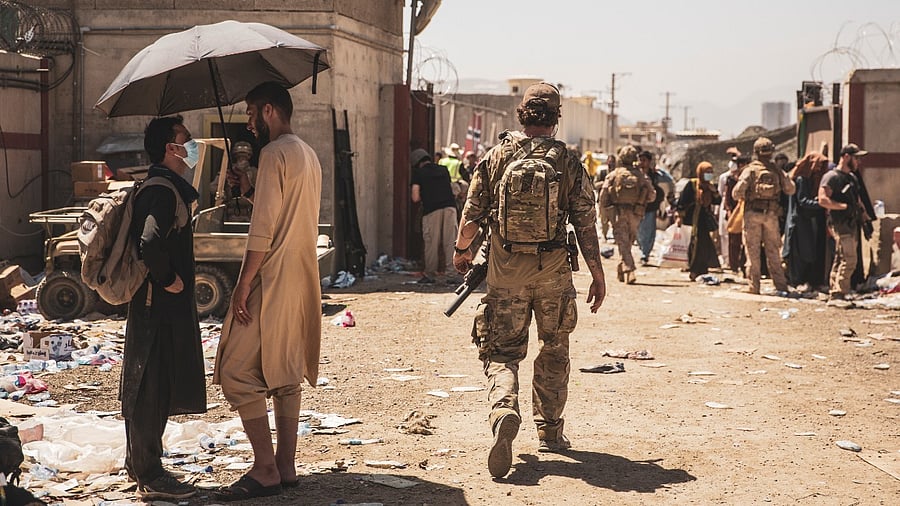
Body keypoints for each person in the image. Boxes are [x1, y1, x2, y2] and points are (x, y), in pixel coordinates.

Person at [451, 82, 606, 479]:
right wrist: (597, 274)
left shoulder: (497, 156)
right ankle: (550, 432)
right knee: (554, 348)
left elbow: (471, 218)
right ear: (556, 118)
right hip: (553, 271)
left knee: (502, 352)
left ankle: (504, 409)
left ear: (522, 115)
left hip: (505, 274)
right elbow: (586, 224)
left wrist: (462, 252)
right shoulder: (569, 161)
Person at [213, 82, 322, 501]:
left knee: (237, 371)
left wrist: (242, 285)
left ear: (270, 111)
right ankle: (286, 466)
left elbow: (264, 229)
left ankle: (264, 469)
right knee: (285, 370)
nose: (247, 121)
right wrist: (249, 187)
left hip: (271, 275)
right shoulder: (306, 154)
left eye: (250, 113)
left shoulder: (274, 153)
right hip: (301, 275)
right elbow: (289, 208)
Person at [122, 116, 206, 501]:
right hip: (156, 304)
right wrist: (169, 278)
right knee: (149, 387)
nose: (191, 146)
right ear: (171, 149)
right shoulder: (160, 190)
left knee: (152, 383)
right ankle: (150, 472)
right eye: (185, 140)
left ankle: (138, 462)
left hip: (159, 305)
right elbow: (150, 242)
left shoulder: (170, 187)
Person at [732, 137, 795, 294]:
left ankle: (754, 287)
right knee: (773, 251)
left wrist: (748, 195)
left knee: (753, 252)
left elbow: (736, 193)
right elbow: (791, 189)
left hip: (752, 214)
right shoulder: (776, 170)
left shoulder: (750, 170)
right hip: (771, 215)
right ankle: (780, 285)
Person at [818, 143, 870, 301]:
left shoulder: (852, 178)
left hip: (852, 223)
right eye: (856, 158)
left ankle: (835, 290)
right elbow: (822, 200)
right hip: (840, 223)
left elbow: (858, 200)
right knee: (850, 259)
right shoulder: (831, 177)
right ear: (846, 157)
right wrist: (842, 206)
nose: (858, 162)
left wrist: (865, 218)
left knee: (841, 258)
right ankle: (840, 292)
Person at [599, 145, 655, 284]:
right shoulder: (641, 175)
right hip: (636, 213)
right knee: (628, 241)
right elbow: (652, 195)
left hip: (618, 213)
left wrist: (603, 212)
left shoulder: (614, 174)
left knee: (623, 242)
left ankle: (627, 269)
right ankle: (626, 270)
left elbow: (603, 195)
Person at [410, 147, 459, 284]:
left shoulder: (418, 173)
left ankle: (430, 274)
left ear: (416, 163)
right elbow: (451, 188)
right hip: (450, 208)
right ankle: (451, 275)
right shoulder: (443, 169)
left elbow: (415, 197)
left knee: (431, 243)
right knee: (450, 242)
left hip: (432, 211)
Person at [783, 152, 828, 291]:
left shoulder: (811, 179)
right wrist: (823, 204)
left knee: (809, 253)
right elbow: (802, 201)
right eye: (818, 165)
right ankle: (797, 281)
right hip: (800, 222)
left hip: (808, 222)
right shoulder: (802, 179)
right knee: (800, 254)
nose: (820, 168)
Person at [676, 162, 721, 280]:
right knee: (692, 244)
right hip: (691, 219)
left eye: (711, 172)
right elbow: (682, 202)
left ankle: (702, 269)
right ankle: (693, 269)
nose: (709, 175)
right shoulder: (692, 185)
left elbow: (718, 201)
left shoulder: (710, 186)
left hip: (704, 220)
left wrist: (714, 192)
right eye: (707, 172)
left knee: (703, 245)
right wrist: (680, 217)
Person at [637, 151, 664, 265]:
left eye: (644, 160)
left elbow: (665, 182)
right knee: (639, 231)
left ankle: (645, 254)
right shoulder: (636, 174)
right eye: (640, 160)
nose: (642, 163)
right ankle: (642, 249)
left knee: (649, 231)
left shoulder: (655, 175)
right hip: (637, 206)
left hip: (650, 207)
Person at [717, 147, 741, 267]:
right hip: (726, 206)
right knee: (724, 234)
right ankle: (726, 259)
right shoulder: (724, 177)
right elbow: (721, 193)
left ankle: (734, 261)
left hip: (737, 208)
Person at [594, 154, 615, 241]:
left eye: (613, 162)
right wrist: (604, 184)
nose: (611, 164)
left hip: (614, 202)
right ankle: (605, 236)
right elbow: (595, 185)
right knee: (604, 221)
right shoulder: (602, 172)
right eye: (610, 161)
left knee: (614, 221)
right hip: (603, 201)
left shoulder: (616, 173)